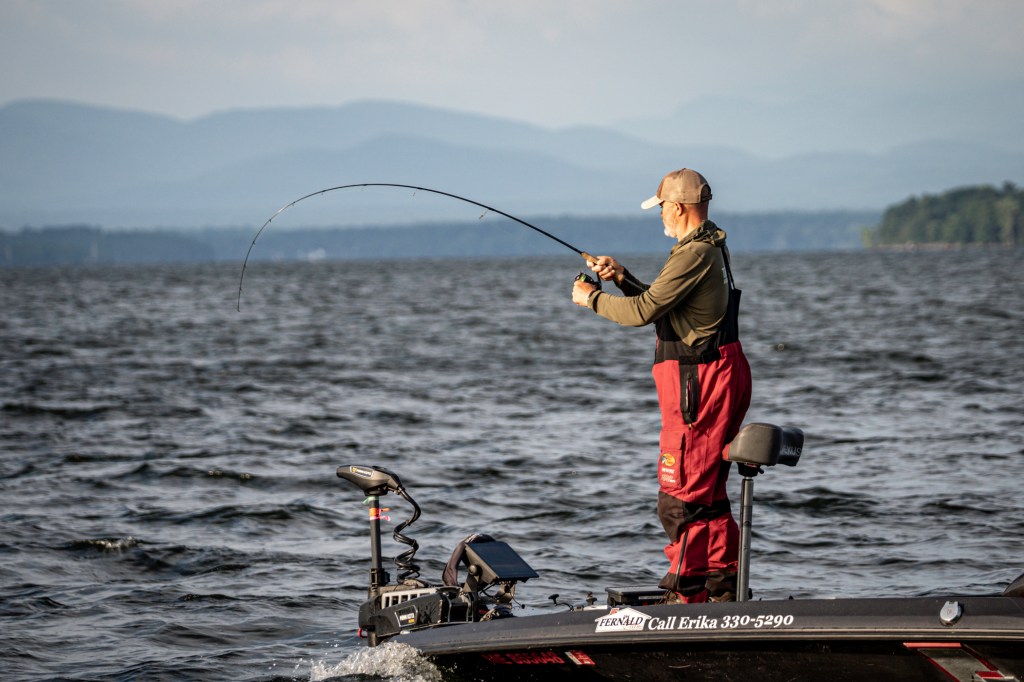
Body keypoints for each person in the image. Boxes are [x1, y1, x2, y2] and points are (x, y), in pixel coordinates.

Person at [571, 168, 751, 603]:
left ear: (678, 207)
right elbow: (668, 305)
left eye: (662, 208)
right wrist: (621, 277)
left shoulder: (693, 254)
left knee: (680, 497)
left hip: (700, 385)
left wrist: (591, 299)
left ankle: (687, 597)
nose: (660, 216)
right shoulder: (708, 246)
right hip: (717, 377)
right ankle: (722, 592)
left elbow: (643, 312)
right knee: (708, 495)